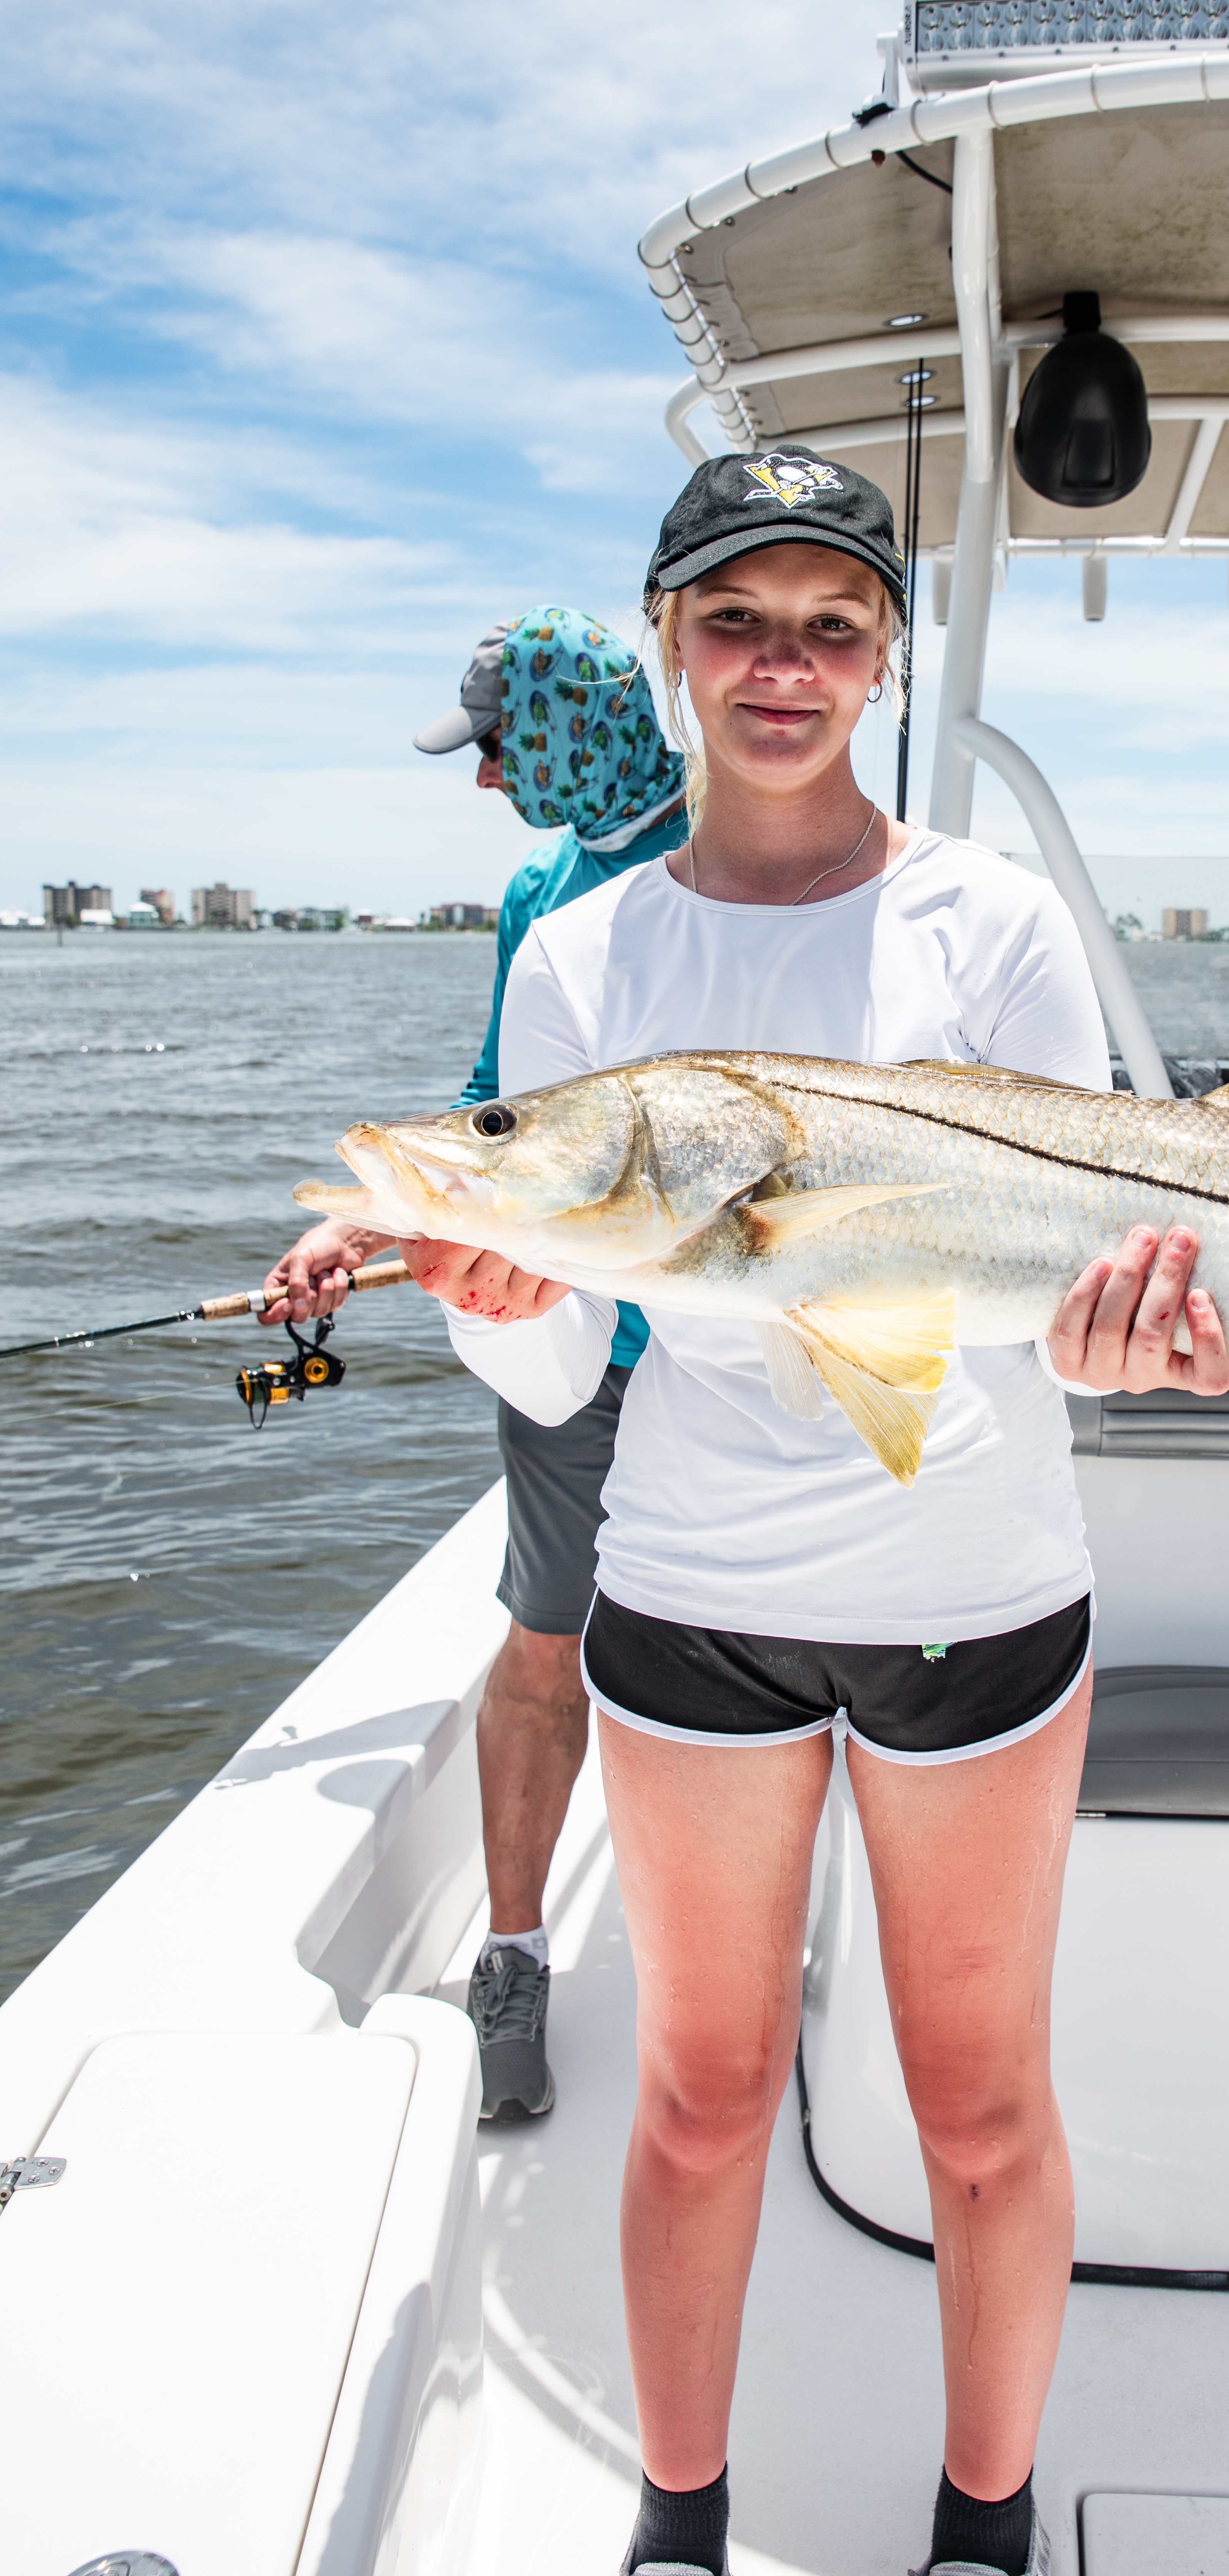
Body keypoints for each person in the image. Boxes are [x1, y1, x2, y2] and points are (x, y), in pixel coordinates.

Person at [398, 449, 1229, 2576]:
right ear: (669, 638)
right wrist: (495, 1297)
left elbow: (1054, 1303)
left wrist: (1125, 1343)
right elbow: (570, 1372)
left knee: (976, 2105)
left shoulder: (991, 919)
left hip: (970, 1584)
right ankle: (677, 2521)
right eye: (737, 617)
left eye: (830, 621)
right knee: (689, 2099)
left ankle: (980, 2521)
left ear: (883, 653)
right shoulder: (584, 958)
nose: (783, 662)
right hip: (684, 1592)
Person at [259, 607, 687, 2122]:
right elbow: (489, 1105)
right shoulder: (540, 888)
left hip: (732, 1350)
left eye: (502, 745)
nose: (490, 778)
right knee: (546, 1639)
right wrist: (360, 1224)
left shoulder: (743, 857)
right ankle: (515, 1947)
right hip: (574, 1344)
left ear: (573, 724)